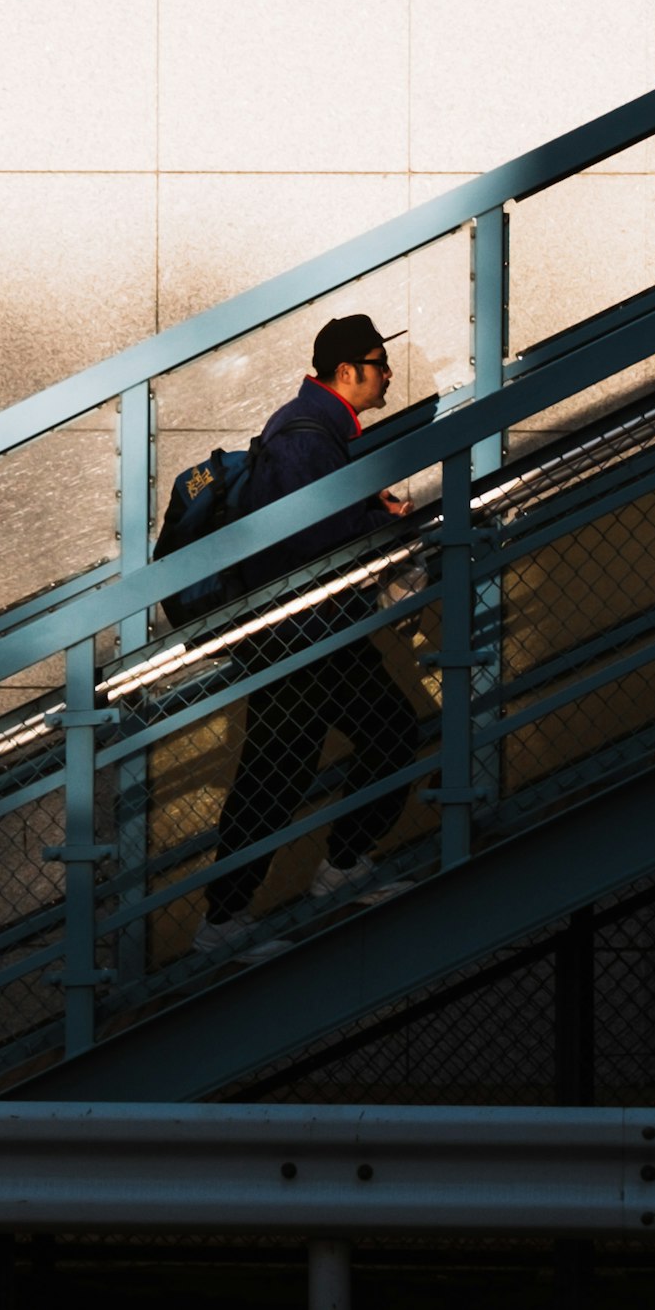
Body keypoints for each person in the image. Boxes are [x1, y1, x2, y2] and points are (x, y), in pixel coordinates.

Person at [195, 311, 429, 954]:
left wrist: (367, 511)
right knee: (289, 767)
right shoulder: (306, 437)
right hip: (304, 632)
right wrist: (383, 525)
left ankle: (292, 888)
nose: (389, 374)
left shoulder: (312, 430)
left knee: (292, 765)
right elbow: (314, 538)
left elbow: (316, 521)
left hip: (309, 629)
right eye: (380, 363)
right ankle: (235, 916)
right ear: (347, 372)